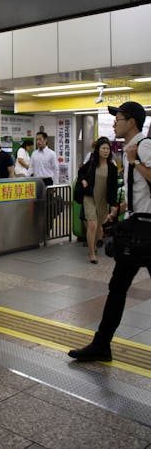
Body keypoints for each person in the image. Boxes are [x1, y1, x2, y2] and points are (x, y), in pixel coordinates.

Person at [68, 101, 151, 362]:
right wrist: (121, 209)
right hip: (139, 226)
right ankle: (101, 343)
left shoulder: (143, 146)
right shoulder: (133, 148)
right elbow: (142, 189)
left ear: (133, 122)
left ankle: (101, 344)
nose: (115, 122)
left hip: (146, 232)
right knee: (117, 287)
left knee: (117, 288)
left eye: (119, 117)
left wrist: (135, 160)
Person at [78, 136, 119, 264]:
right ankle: (91, 253)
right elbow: (81, 172)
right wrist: (83, 180)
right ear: (98, 149)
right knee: (92, 224)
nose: (106, 151)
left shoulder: (112, 168)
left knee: (99, 225)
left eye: (108, 149)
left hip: (103, 199)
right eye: (103, 148)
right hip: (89, 197)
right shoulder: (91, 163)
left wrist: (113, 205)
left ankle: (94, 245)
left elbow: (113, 187)